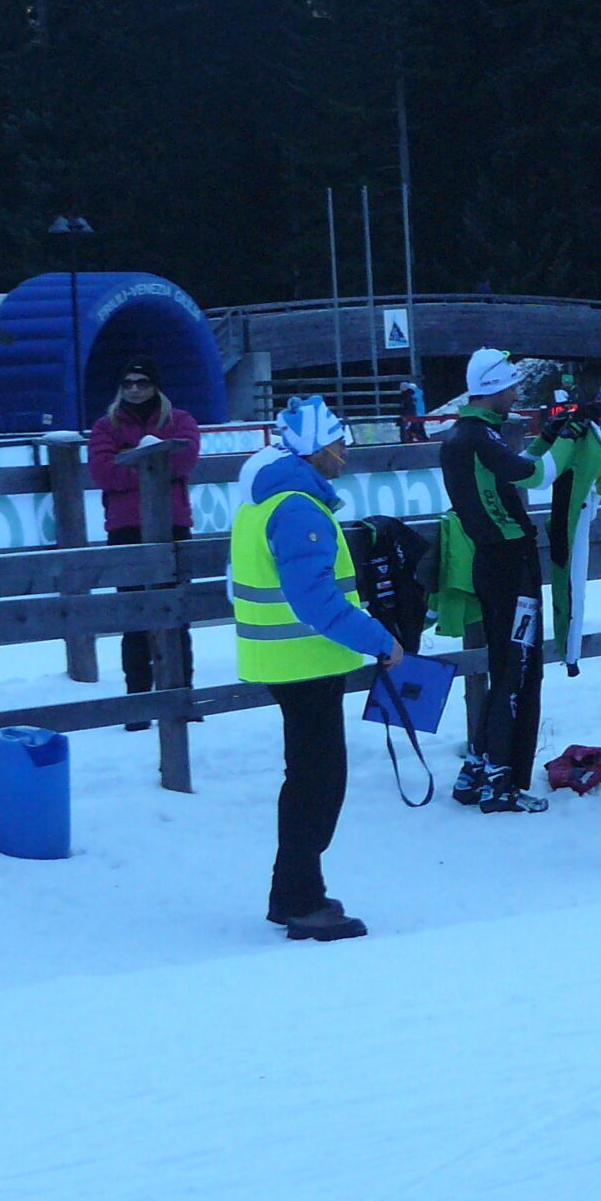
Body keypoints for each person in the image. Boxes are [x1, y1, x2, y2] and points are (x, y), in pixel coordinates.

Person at [230, 398, 402, 941]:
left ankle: (293, 892)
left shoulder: (270, 499)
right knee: (317, 783)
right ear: (316, 449)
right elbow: (315, 601)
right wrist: (380, 640)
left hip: (291, 660)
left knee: (310, 778)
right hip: (303, 662)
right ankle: (301, 900)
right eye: (338, 442)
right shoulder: (298, 508)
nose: (344, 451)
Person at [439, 347, 571, 814]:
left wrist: (546, 437)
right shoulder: (478, 436)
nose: (516, 394)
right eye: (511, 386)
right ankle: (502, 780)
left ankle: (478, 768)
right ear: (493, 388)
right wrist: (568, 443)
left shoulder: (469, 433)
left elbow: (509, 470)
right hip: (510, 565)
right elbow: (533, 475)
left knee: (504, 667)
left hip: (493, 562)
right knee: (518, 670)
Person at [88, 358, 204, 717]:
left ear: (156, 385)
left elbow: (184, 460)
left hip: (172, 526)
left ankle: (182, 699)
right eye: (128, 383)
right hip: (125, 529)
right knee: (134, 618)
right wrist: (154, 465)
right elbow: (103, 472)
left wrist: (131, 460)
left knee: (176, 615)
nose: (135, 389)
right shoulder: (105, 426)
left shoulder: (180, 420)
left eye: (142, 382)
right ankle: (137, 703)